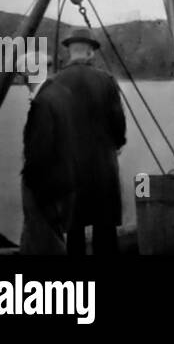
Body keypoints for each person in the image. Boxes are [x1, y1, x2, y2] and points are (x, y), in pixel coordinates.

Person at [47, 27, 127, 256]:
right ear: (91, 52)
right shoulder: (106, 80)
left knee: (74, 231)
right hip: (103, 167)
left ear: (69, 51)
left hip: (70, 168)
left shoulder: (55, 82)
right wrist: (117, 143)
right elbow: (118, 122)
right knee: (106, 229)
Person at [20, 76, 77, 254]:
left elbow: (39, 151)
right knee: (45, 236)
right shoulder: (62, 96)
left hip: (43, 187)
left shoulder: (42, 103)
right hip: (62, 183)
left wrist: (30, 182)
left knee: (45, 238)